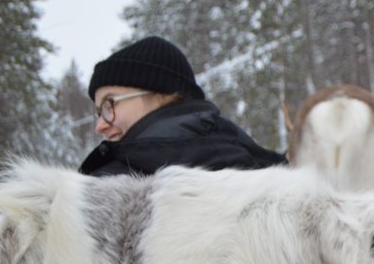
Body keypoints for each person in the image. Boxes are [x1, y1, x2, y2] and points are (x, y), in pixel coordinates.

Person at [80, 35, 285, 176]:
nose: (100, 126)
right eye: (99, 113)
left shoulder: (109, 190)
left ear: (160, 93)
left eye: (109, 104)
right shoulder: (262, 167)